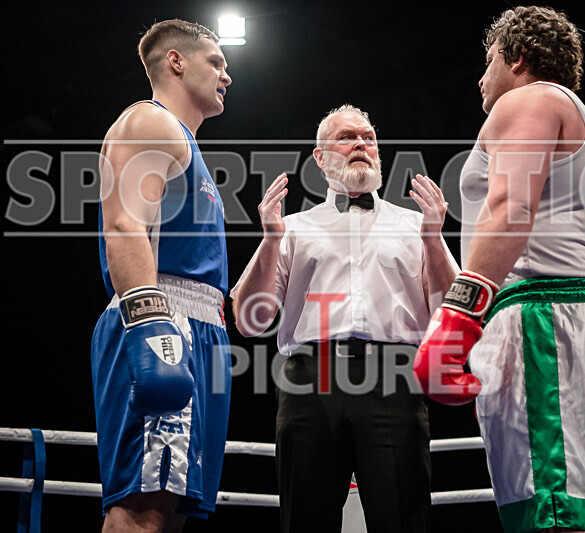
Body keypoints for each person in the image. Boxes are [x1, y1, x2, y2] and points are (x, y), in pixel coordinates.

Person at [414, 6, 585, 533]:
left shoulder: (528, 99)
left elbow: (511, 208)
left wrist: (457, 318)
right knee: (575, 498)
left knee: (549, 506)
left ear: (518, 57)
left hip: (543, 315)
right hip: (575, 314)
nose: (481, 78)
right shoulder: (573, 116)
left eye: (488, 61)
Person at [230, 104, 459, 533]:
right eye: (347, 137)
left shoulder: (417, 225)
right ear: (320, 157)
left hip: (394, 378)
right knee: (305, 520)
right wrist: (270, 240)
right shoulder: (291, 227)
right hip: (308, 380)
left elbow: (451, 313)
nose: (360, 144)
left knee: (404, 518)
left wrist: (433, 238)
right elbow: (248, 320)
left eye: (368, 138)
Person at [91, 19, 233, 532]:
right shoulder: (149, 122)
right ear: (176, 61)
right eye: (215, 62)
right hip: (161, 319)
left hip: (201, 327)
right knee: (141, 508)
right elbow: (124, 225)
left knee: (170, 510)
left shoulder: (186, 142)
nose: (227, 76)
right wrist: (151, 325)